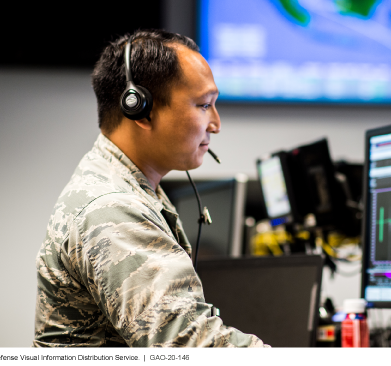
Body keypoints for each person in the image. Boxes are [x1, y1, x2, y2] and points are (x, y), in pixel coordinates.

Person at [33, 30, 267, 348]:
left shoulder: (127, 184)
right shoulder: (113, 208)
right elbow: (186, 343)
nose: (215, 123)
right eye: (203, 105)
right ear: (141, 110)